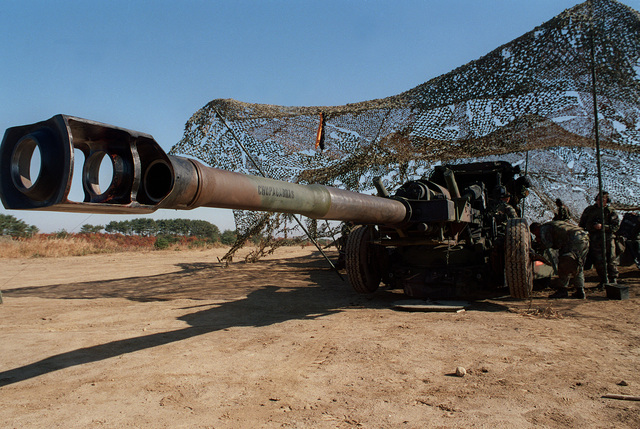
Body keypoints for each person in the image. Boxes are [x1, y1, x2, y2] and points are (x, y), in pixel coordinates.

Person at [530, 220, 589, 299]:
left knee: (564, 265)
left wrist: (538, 244)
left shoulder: (543, 228)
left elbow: (547, 244)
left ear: (536, 229)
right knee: (578, 264)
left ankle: (562, 290)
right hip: (584, 238)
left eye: (535, 234)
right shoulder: (554, 225)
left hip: (573, 241)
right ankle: (580, 290)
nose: (536, 236)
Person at [579, 191, 620, 286]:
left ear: (607, 201)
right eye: (598, 199)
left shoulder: (610, 211)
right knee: (598, 261)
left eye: (603, 200)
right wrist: (592, 226)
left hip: (608, 238)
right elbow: (582, 224)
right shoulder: (589, 210)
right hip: (594, 239)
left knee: (611, 259)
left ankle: (613, 279)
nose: (600, 201)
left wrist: (603, 227)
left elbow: (615, 227)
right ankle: (603, 279)